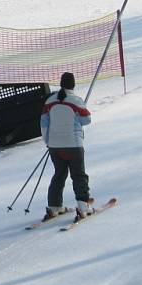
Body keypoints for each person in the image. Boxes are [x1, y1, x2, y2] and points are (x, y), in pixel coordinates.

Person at [40, 72, 93, 221]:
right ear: (73, 84)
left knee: (59, 174)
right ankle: (83, 206)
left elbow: (44, 123)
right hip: (73, 144)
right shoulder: (76, 100)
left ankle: (54, 206)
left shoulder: (49, 101)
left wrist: (48, 141)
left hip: (55, 146)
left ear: (61, 83)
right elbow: (87, 119)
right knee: (78, 175)